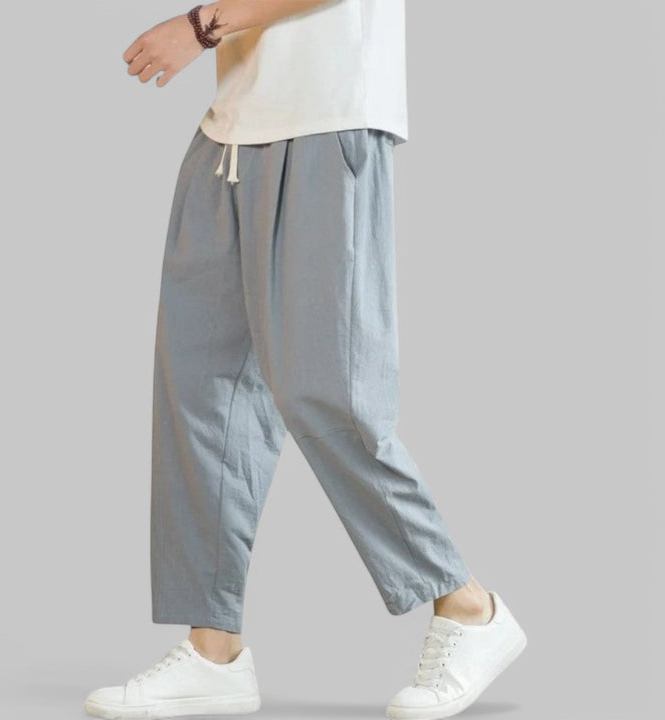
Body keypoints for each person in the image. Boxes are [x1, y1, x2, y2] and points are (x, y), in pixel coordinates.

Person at [84, 2, 527, 719]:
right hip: (228, 134)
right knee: (199, 394)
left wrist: (200, 27)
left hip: (329, 123)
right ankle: (214, 652)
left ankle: (466, 605)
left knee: (328, 390)